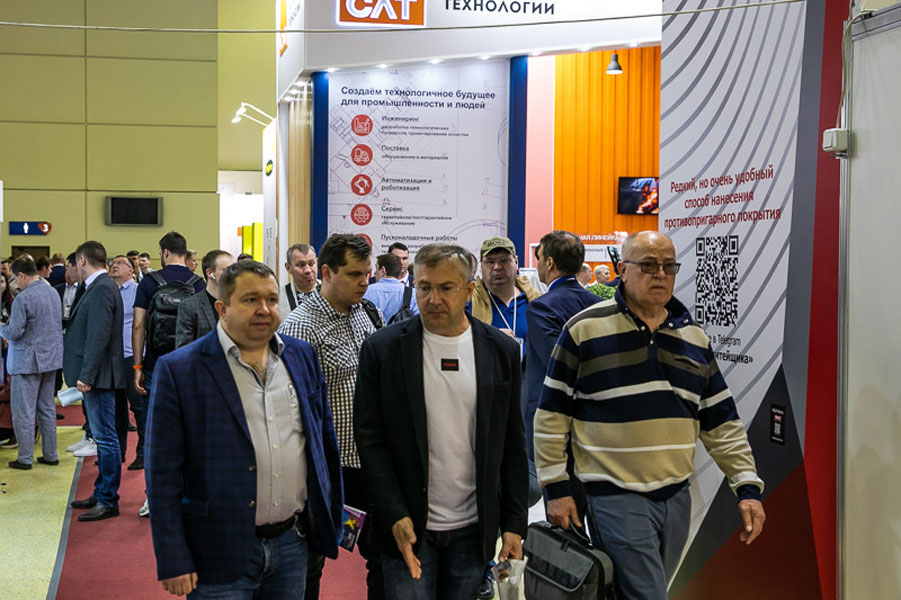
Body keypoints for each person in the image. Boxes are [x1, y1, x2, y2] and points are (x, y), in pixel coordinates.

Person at [534, 231, 766, 600]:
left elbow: (721, 420)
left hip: (676, 497)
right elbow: (552, 415)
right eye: (648, 265)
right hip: (614, 496)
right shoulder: (583, 330)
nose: (660, 274)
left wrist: (746, 486)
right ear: (622, 270)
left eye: (668, 266)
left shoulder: (693, 337)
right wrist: (556, 488)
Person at [146, 260, 343, 599]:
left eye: (271, 299)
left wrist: (329, 520)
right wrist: (172, 555)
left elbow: (323, 443)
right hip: (217, 550)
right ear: (222, 308)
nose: (264, 309)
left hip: (292, 543)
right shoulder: (181, 370)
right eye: (251, 300)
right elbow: (162, 472)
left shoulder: (301, 356)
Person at [354, 243, 529, 599]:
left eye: (446, 288)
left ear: (469, 289)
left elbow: (512, 441)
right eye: (424, 287)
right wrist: (393, 512)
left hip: (474, 529)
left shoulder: (501, 350)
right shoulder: (383, 349)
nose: (433, 299)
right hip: (408, 525)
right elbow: (370, 439)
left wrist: (514, 522)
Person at [278, 234, 383, 600]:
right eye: (354, 274)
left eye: (367, 273)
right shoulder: (300, 327)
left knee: (382, 556)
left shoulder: (365, 312)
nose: (364, 282)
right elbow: (289, 407)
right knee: (310, 562)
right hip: (325, 466)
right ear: (326, 272)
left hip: (367, 460)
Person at [524, 231, 603, 531]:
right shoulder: (600, 305)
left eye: (539, 258)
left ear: (549, 263)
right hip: (597, 420)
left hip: (557, 423)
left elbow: (555, 363)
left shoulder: (542, 307)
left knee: (565, 524)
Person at [133, 231, 205, 517]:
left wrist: (138, 366)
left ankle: (153, 498)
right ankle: (188, 495)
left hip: (156, 366)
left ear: (164, 253)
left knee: (156, 434)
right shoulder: (199, 283)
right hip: (191, 368)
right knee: (190, 433)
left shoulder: (149, 282)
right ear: (185, 253)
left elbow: (138, 325)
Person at [64, 241, 125, 522]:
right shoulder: (98, 287)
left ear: (81, 260)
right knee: (102, 437)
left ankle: (108, 498)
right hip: (97, 375)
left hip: (98, 376)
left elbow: (98, 336)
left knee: (106, 438)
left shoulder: (101, 288)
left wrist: (86, 375)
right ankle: (102, 491)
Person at [0, 257, 64, 469]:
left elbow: (15, 332)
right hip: (50, 359)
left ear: (21, 275)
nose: (15, 284)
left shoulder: (23, 298)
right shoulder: (52, 292)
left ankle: (25, 458)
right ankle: (51, 454)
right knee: (47, 409)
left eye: (15, 279)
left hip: (26, 361)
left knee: (23, 412)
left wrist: (1, 328)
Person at [471, 236, 541, 357]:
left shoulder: (535, 300)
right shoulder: (469, 301)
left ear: (516, 262)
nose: (497, 267)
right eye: (490, 262)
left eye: (504, 260)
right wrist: (488, 338)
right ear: (481, 265)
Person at [109, 255, 143, 469]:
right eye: (113, 263)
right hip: (112, 356)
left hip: (132, 355)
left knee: (138, 407)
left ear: (131, 270)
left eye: (121, 263)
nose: (115, 265)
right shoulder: (107, 291)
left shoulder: (138, 290)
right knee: (117, 407)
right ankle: (117, 452)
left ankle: (143, 453)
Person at [175, 250, 235, 348]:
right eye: (228, 270)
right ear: (210, 273)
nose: (234, 275)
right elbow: (183, 349)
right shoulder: (190, 306)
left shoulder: (238, 303)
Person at [363, 253, 418, 323]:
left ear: (383, 270)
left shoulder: (366, 291)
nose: (374, 273)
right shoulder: (413, 294)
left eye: (376, 268)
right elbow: (418, 320)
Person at [279, 243, 318, 320]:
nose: (308, 270)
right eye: (301, 265)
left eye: (311, 264)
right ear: (288, 268)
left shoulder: (331, 293)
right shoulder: (278, 297)